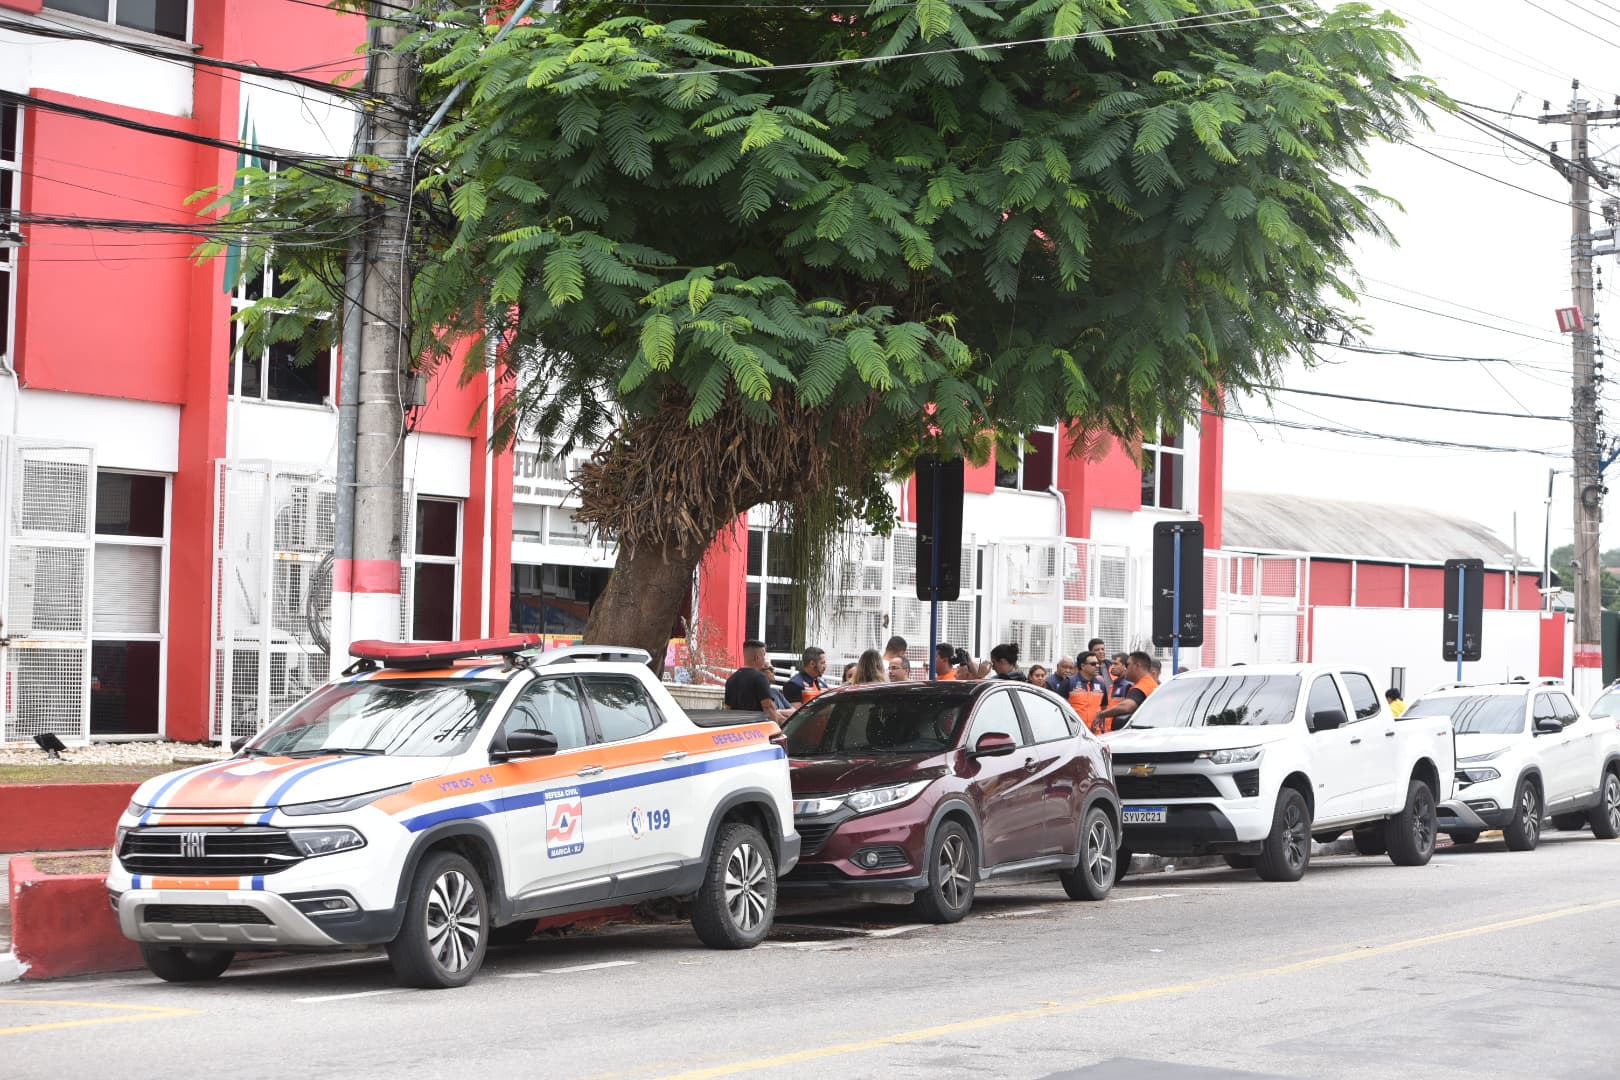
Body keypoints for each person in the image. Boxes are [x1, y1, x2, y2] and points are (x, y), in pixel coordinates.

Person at [724, 639, 792, 725]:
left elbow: (728, 709)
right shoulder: (760, 678)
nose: (764, 659)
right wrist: (776, 729)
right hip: (756, 728)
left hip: (738, 728)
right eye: (764, 656)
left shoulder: (731, 680)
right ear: (757, 658)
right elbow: (768, 707)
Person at [1096, 651, 1159, 731]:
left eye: (1127, 665)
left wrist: (1101, 714)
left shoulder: (1142, 687)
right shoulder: (1151, 683)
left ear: (1137, 666)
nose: (1126, 668)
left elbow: (1127, 706)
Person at [1068, 653, 1111, 733]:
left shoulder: (1101, 684)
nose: (1097, 666)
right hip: (1075, 733)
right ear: (1083, 666)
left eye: (1097, 663)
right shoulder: (1069, 682)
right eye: (1093, 664)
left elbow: (1104, 708)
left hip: (1096, 733)